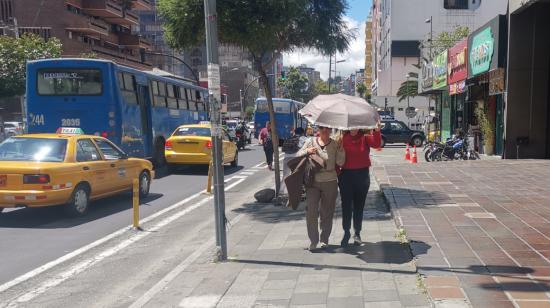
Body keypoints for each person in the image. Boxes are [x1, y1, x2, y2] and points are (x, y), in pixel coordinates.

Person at [297, 126, 345, 250]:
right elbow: (298, 154)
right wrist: (307, 151)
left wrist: (340, 149)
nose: (324, 130)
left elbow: (340, 162)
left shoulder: (335, 144)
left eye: (327, 128)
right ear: (318, 129)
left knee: (327, 212)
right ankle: (313, 240)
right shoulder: (310, 141)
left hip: (330, 181)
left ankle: (324, 239)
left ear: (330, 130)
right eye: (322, 128)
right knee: (311, 211)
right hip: (312, 181)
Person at [338, 122, 382, 247]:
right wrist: (337, 173)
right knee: (346, 206)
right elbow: (337, 157)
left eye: (355, 125)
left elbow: (377, 144)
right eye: (351, 126)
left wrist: (377, 131)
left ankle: (357, 233)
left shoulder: (365, 137)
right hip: (346, 176)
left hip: (362, 176)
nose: (353, 128)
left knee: (359, 207)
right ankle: (346, 231)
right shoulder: (342, 139)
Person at [281, 127, 307, 196]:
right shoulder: (303, 138)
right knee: (298, 176)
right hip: (297, 158)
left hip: (286, 158)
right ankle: (296, 192)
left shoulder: (289, 138)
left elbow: (283, 149)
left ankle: (282, 191)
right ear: (302, 133)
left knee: (285, 175)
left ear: (295, 132)